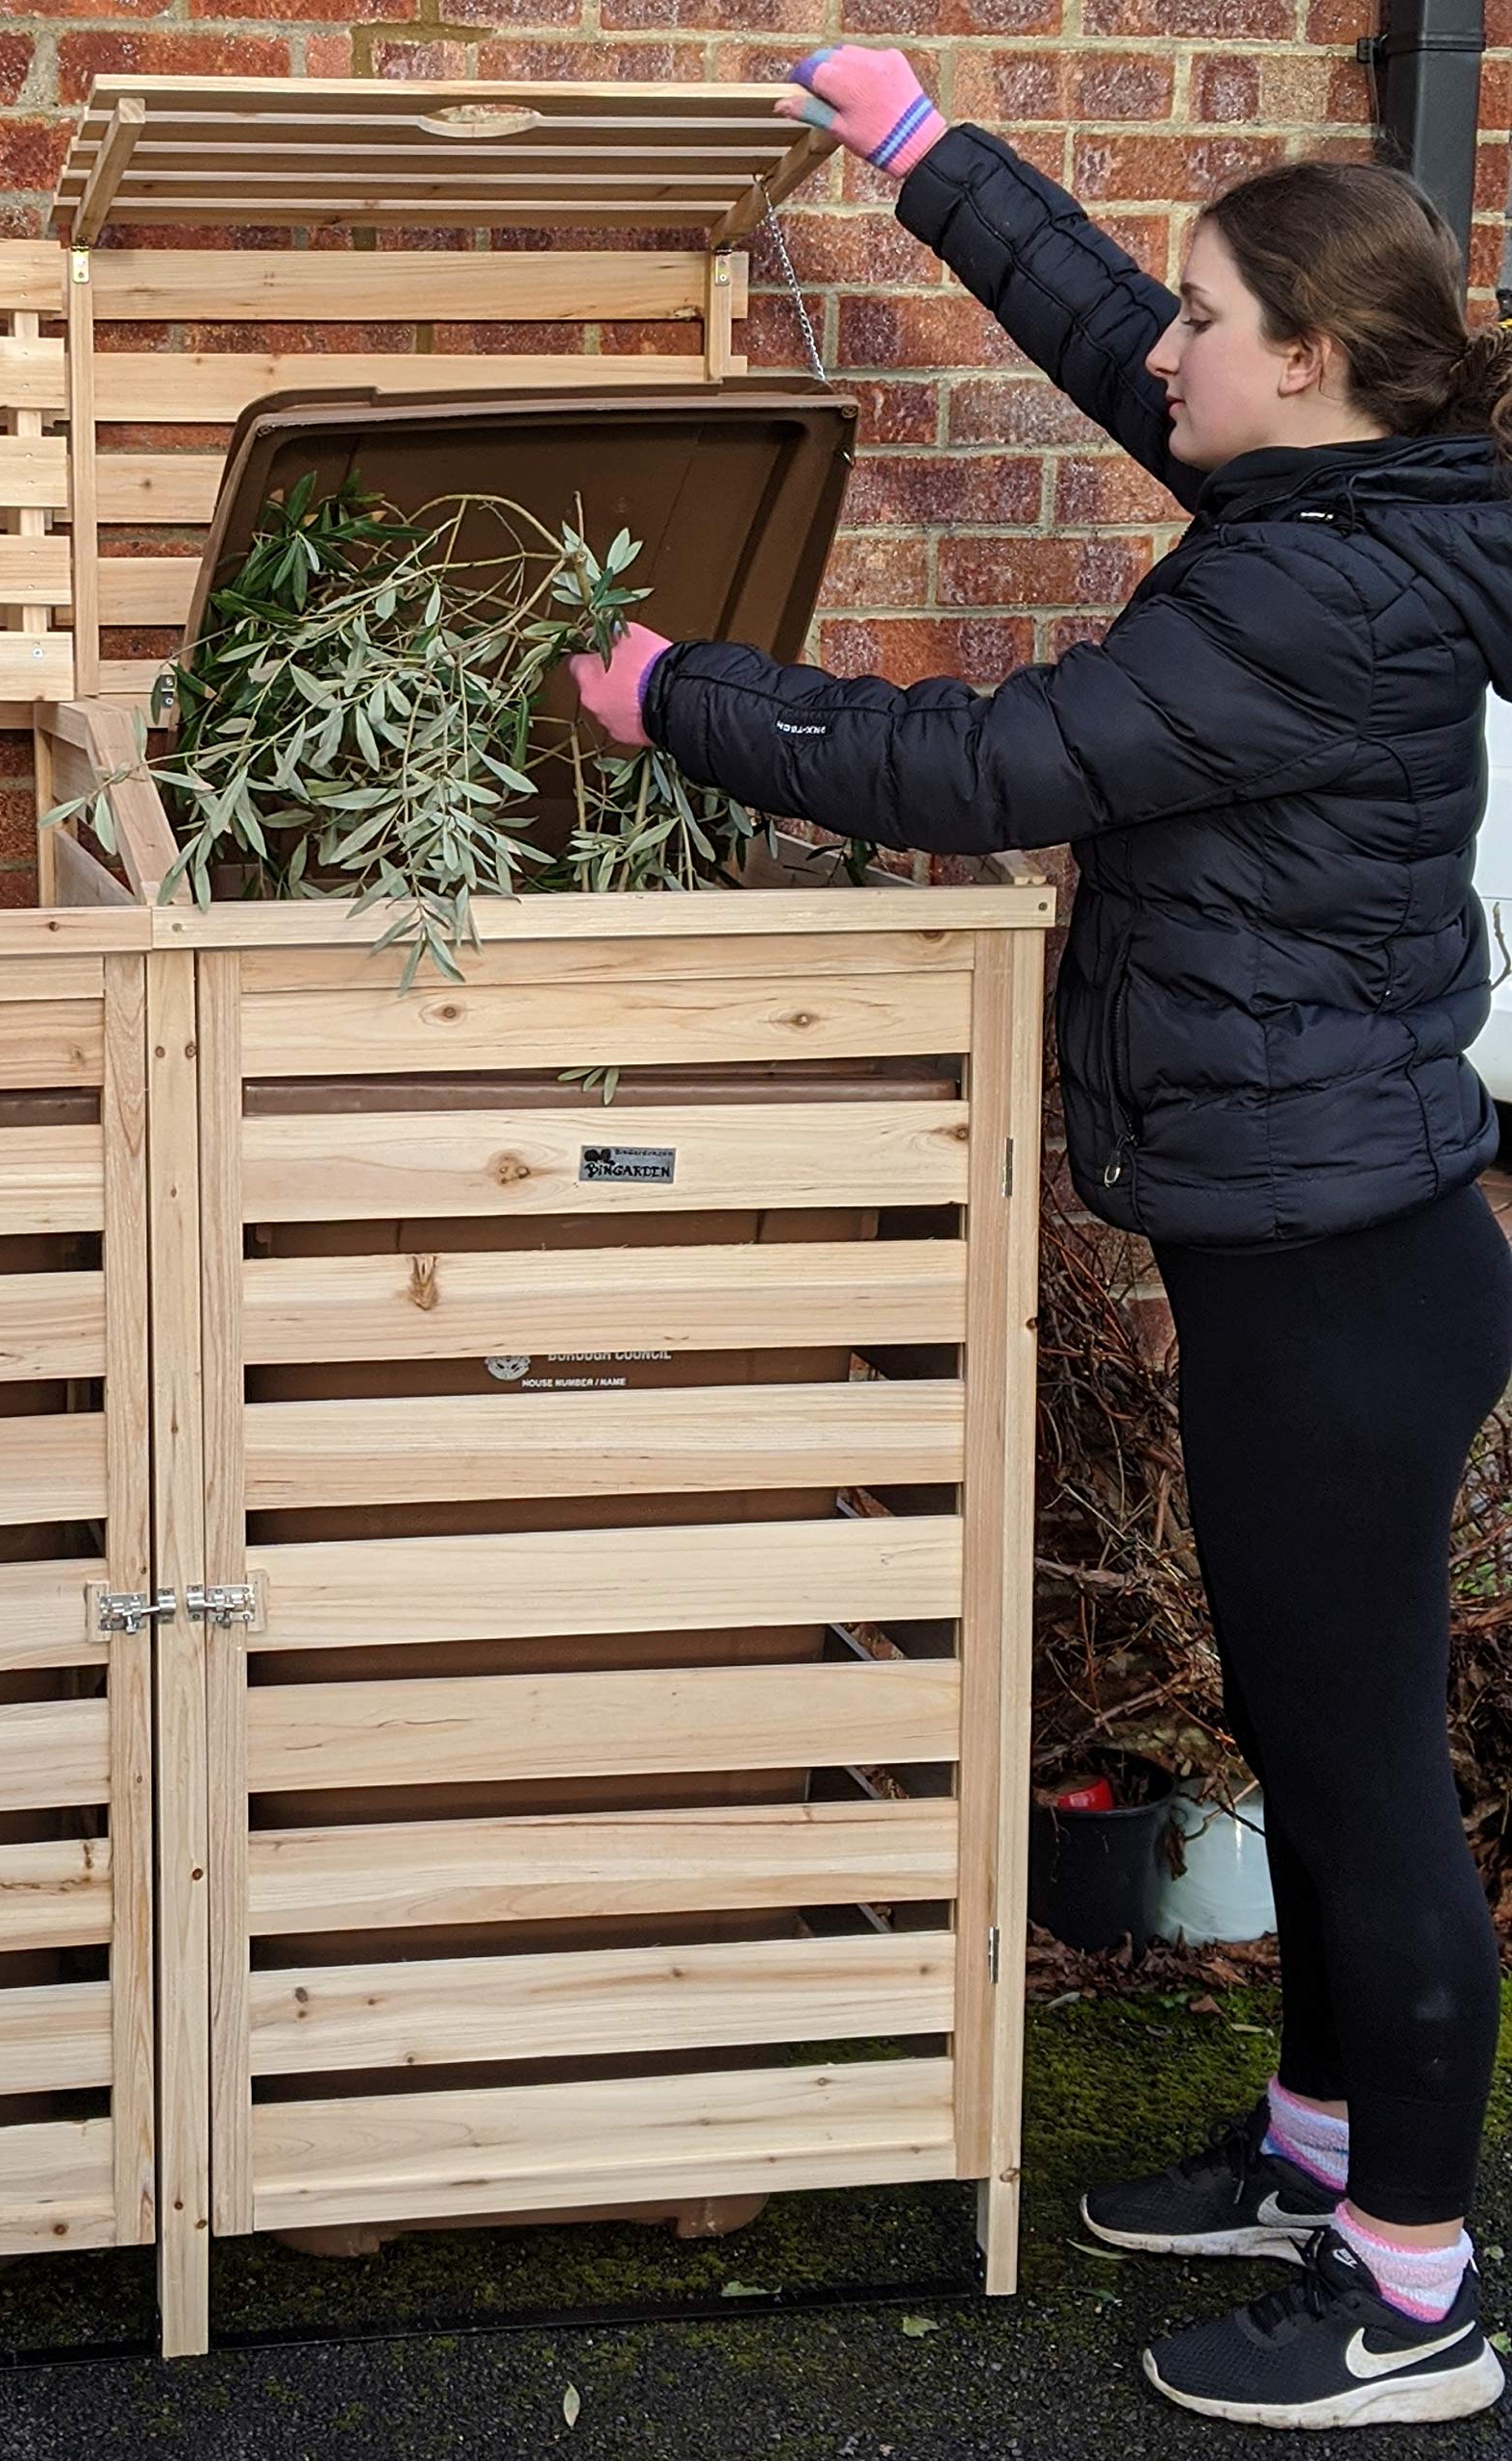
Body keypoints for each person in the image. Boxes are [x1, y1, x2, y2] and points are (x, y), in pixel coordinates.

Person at [570, 40, 1512, 2432]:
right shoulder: (1364, 492)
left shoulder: (1307, 610)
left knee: (1365, 1764)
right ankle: (1317, 2154)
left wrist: (688, 692)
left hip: (1339, 1277)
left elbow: (986, 762)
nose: (1164, 350)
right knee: (1310, 1737)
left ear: (1301, 362)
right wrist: (921, 151)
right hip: (1325, 1236)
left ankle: (1414, 2292)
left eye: (1209, 318)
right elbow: (1108, 325)